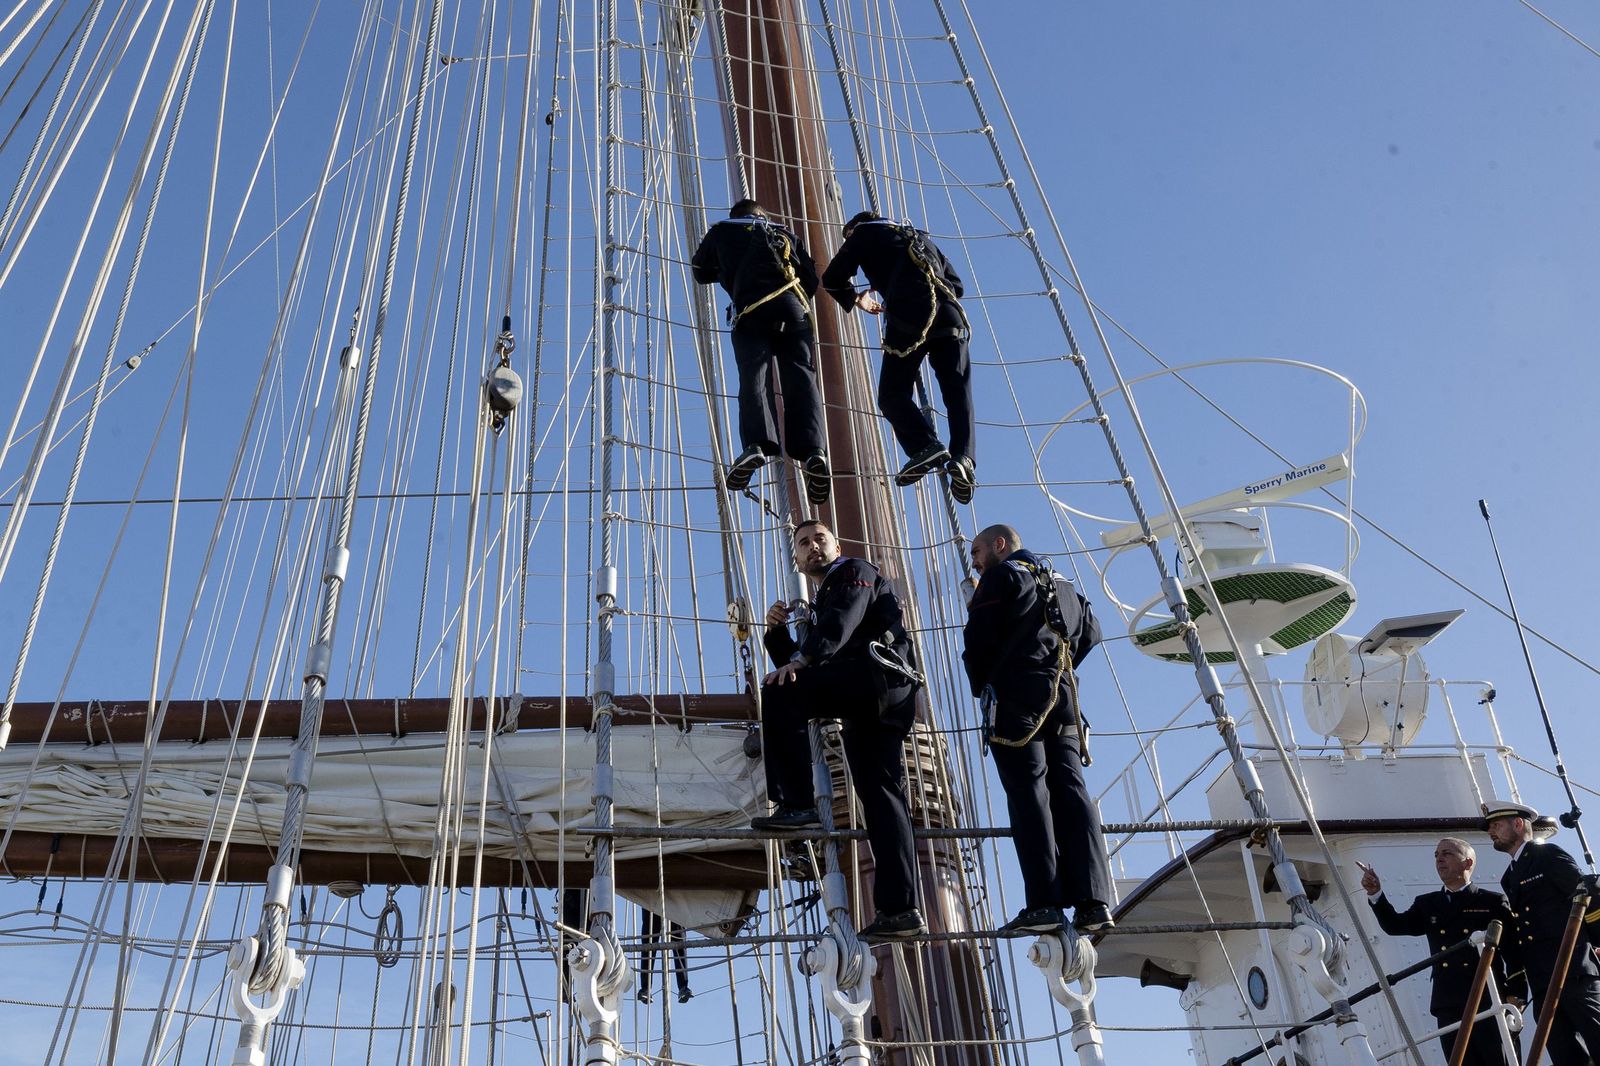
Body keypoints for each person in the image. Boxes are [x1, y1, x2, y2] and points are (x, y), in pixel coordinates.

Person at [753, 519, 925, 942]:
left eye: (820, 539)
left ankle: (797, 804)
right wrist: (776, 634)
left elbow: (839, 626)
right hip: (875, 695)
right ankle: (899, 909)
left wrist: (803, 661)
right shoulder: (821, 600)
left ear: (837, 543)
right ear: (795, 557)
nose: (813, 547)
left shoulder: (852, 571)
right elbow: (797, 659)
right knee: (882, 799)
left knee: (778, 694)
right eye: (803, 544)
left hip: (874, 680)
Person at [961, 523, 1113, 934]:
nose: (974, 561)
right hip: (1064, 698)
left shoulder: (1001, 575)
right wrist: (1054, 664)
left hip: (1016, 701)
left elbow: (978, 642)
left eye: (976, 552)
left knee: (1029, 794)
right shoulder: (1061, 581)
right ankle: (1093, 901)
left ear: (999, 545)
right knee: (1071, 792)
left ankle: (1044, 903)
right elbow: (1093, 632)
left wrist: (986, 683)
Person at [820, 211, 977, 504]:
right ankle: (964, 459)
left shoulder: (863, 234)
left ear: (853, 230)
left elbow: (832, 278)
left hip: (908, 319)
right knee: (957, 392)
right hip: (950, 315)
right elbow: (957, 286)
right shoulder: (920, 235)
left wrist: (859, 298)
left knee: (891, 394)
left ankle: (925, 445)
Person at [691, 199, 831, 504]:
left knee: (754, 377)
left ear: (735, 216)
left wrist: (731, 270)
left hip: (751, 312)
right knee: (801, 379)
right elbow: (809, 278)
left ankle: (756, 445)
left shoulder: (722, 231)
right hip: (794, 311)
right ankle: (813, 451)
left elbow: (700, 271)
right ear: (763, 215)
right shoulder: (784, 234)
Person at [1358, 839, 1525, 1066]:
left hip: (1487, 996)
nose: (1439, 859)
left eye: (1446, 853)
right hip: (1448, 1002)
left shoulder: (1491, 901)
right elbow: (1395, 925)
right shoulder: (1428, 904)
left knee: (1499, 1060)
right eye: (1436, 854)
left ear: (1467, 862)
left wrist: (1516, 994)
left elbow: (1513, 951)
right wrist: (1376, 894)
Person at [1486, 798, 1600, 1065]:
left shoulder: (1547, 855)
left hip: (1573, 971)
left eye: (1496, 824)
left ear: (1517, 824)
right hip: (1542, 981)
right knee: (1564, 1054)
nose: (1491, 831)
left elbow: (1588, 897)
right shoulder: (1509, 876)